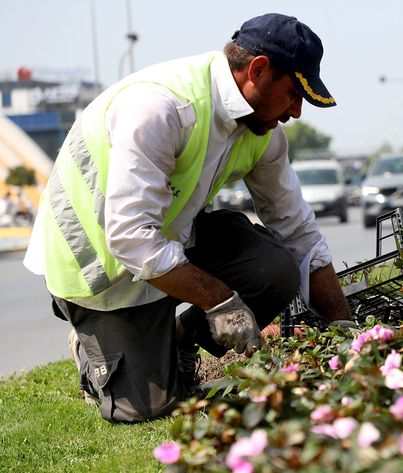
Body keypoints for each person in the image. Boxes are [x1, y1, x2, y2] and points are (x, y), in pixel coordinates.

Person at [23, 13, 352, 423]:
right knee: (147, 408)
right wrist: (219, 300)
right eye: (293, 93)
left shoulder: (262, 131)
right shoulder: (162, 108)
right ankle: (92, 352)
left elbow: (298, 231)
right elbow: (129, 239)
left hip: (164, 243)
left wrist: (343, 326)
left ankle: (176, 337)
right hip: (96, 267)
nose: (297, 111)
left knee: (275, 269)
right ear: (258, 70)